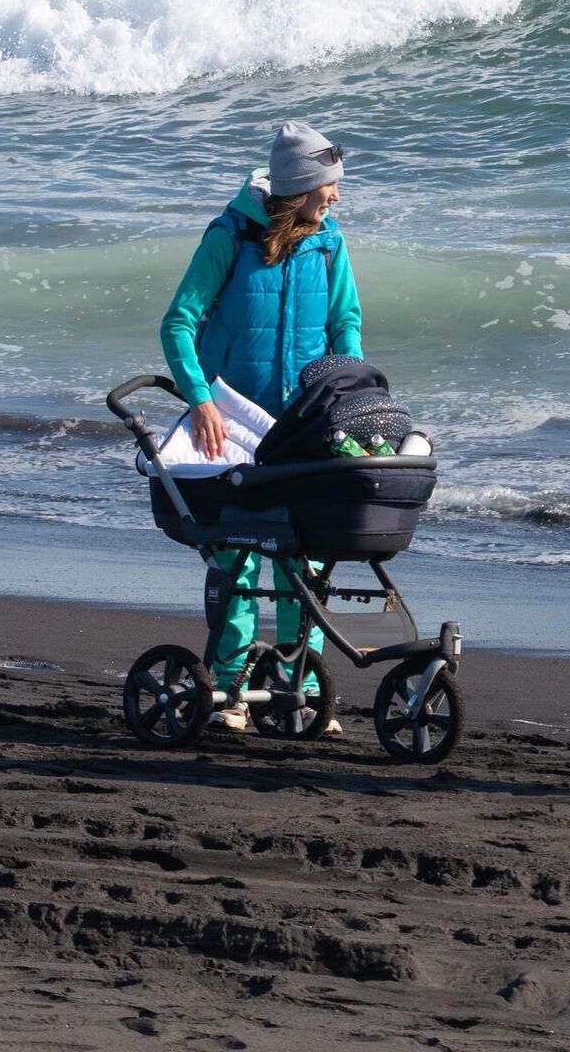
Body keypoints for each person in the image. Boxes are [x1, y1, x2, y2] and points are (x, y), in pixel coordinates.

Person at [157, 120, 361, 734]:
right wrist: (201, 401)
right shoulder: (228, 238)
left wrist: (340, 390)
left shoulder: (330, 245)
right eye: (329, 186)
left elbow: (345, 326)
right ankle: (230, 691)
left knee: (307, 561)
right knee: (237, 562)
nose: (337, 197)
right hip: (234, 429)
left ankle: (303, 690)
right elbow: (178, 324)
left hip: (303, 429)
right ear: (299, 187)